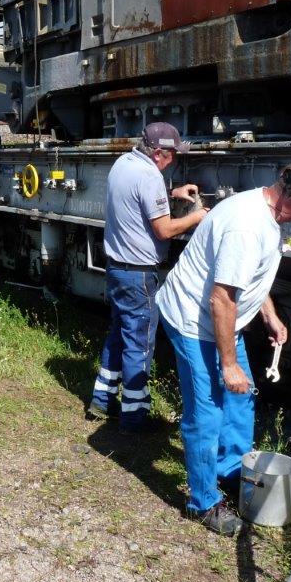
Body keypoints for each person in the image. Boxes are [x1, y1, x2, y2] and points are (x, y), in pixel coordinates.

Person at [155, 160, 291, 535]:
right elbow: (222, 298)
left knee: (240, 401)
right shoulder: (247, 226)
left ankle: (233, 473)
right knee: (206, 412)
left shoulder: (265, 212)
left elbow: (249, 276)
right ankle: (202, 502)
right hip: (194, 319)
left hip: (221, 318)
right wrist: (228, 363)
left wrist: (269, 316)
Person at [88, 122, 208, 434]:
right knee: (138, 345)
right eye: (172, 155)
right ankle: (134, 417)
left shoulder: (123, 163)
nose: (175, 161)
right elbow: (164, 230)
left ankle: (101, 401)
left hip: (116, 268)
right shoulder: (151, 175)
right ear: (157, 153)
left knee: (118, 334)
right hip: (139, 274)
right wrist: (197, 216)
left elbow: (136, 196)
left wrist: (172, 193)